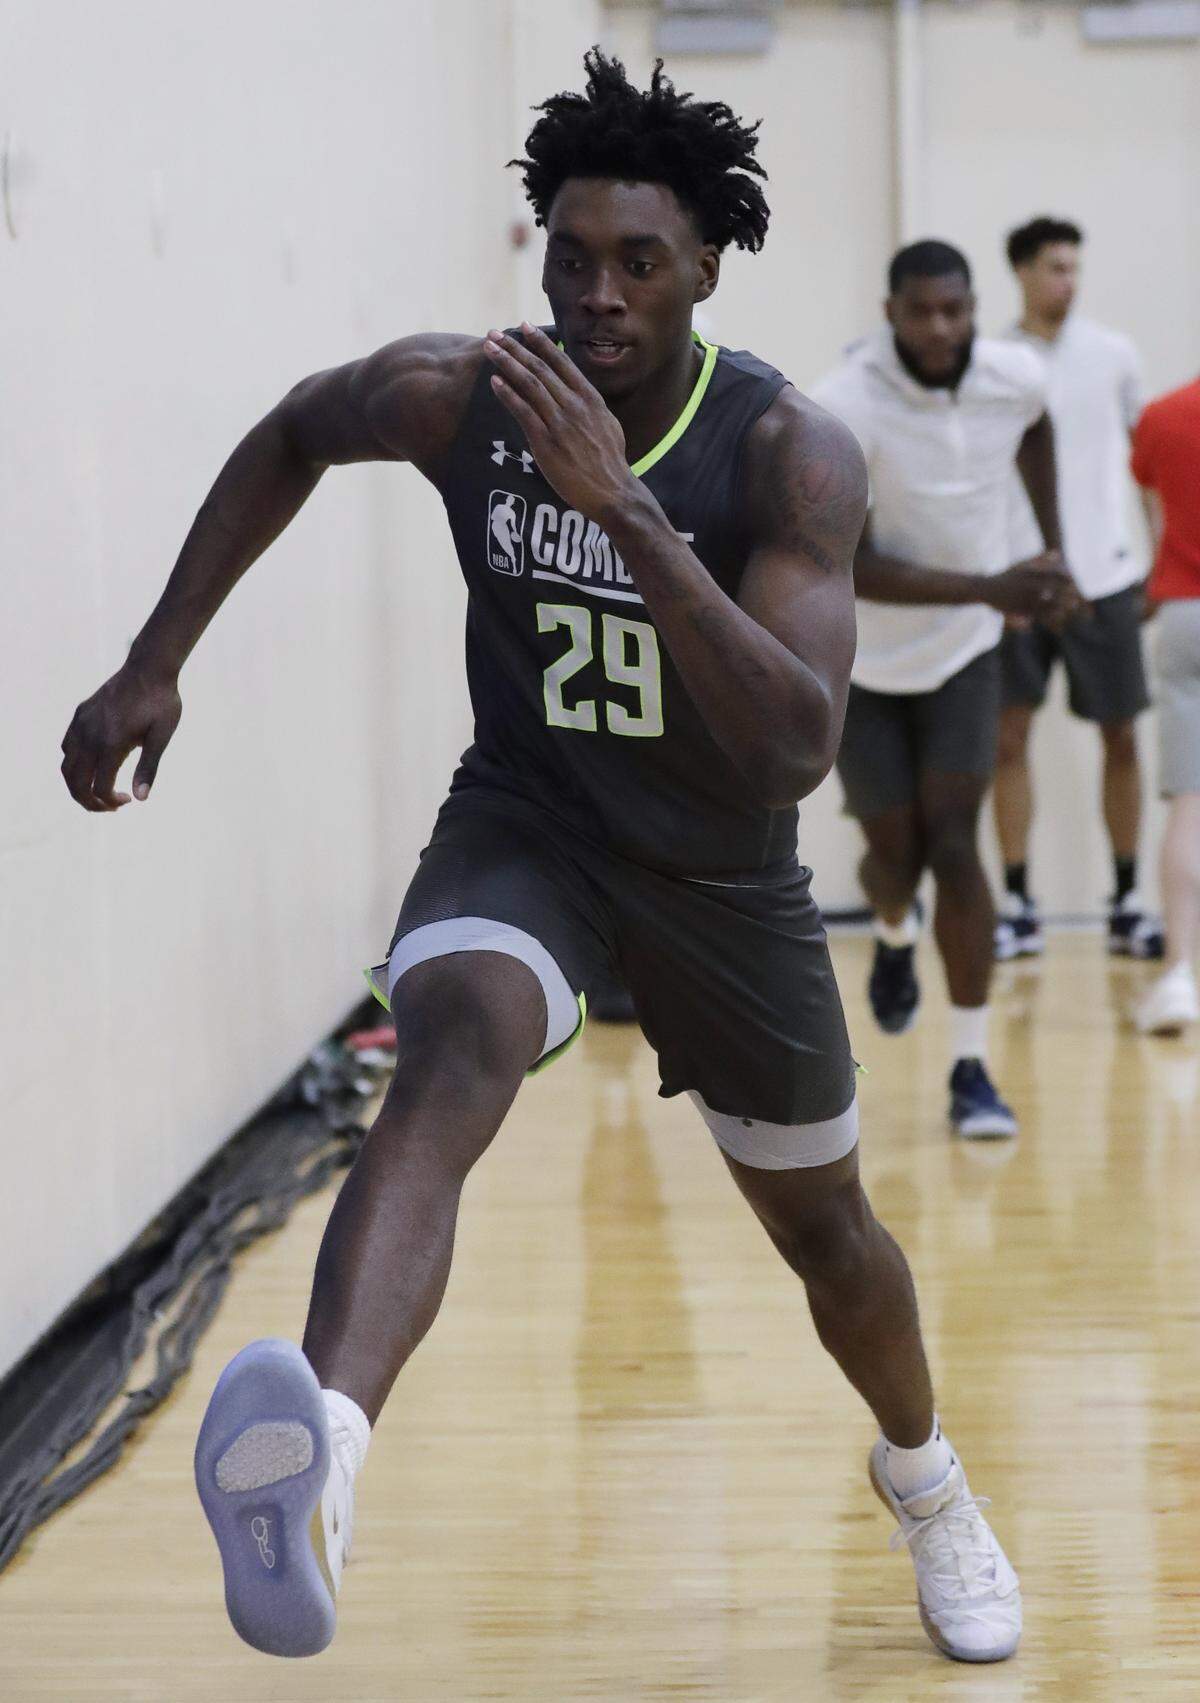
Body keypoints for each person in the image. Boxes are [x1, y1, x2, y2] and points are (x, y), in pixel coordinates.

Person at [60, 53, 1021, 1665]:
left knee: (829, 1235)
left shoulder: (793, 453)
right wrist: (159, 656)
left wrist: (626, 512)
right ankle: (325, 1474)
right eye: (570, 256)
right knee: (446, 1055)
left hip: (723, 871)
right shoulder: (466, 394)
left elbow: (794, 745)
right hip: (531, 821)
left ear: (707, 267)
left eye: (638, 261)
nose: (596, 295)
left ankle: (930, 1485)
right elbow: (298, 428)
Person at [812, 241, 1080, 1139]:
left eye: (955, 310)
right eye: (920, 311)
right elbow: (849, 562)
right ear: (890, 313)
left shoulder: (1014, 372)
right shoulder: (845, 403)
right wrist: (993, 587)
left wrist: (1051, 546)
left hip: (965, 653)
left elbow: (1037, 425)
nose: (940, 328)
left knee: (957, 842)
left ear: (973, 308)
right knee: (897, 855)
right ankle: (893, 933)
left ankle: (970, 1067)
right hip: (867, 661)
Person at [994, 216, 1162, 961]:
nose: (1068, 280)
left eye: (1074, 268)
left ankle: (1127, 900)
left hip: (1109, 578)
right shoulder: (993, 360)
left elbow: (1147, 467)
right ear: (1023, 272)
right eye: (1055, 267)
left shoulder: (1113, 356)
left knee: (1122, 734)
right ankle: (1019, 903)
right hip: (1021, 585)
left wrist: (1163, 562)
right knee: (1009, 736)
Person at [1130, 373, 1200, 1032]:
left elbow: (1155, 519)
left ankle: (1180, 974)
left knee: (1190, 801)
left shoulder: (1162, 414)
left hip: (1184, 611)